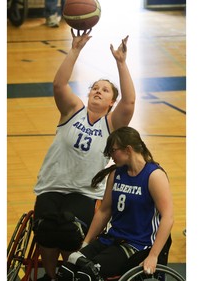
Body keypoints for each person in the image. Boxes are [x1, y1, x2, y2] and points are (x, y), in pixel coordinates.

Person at [33, 29, 136, 281]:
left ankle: (69, 274)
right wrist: (75, 50)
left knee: (69, 233)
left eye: (105, 90)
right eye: (95, 89)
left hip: (84, 192)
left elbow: (130, 102)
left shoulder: (112, 124)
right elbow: (59, 84)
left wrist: (121, 63)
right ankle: (51, 277)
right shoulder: (72, 110)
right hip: (52, 185)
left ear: (112, 102)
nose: (98, 92)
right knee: (46, 231)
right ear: (88, 94)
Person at [57, 126, 174, 281]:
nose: (111, 156)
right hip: (111, 239)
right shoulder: (116, 173)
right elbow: (104, 211)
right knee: (68, 268)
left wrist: (153, 255)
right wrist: (86, 242)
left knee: (87, 274)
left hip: (137, 245)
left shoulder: (154, 176)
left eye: (113, 151)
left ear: (128, 150)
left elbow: (168, 217)